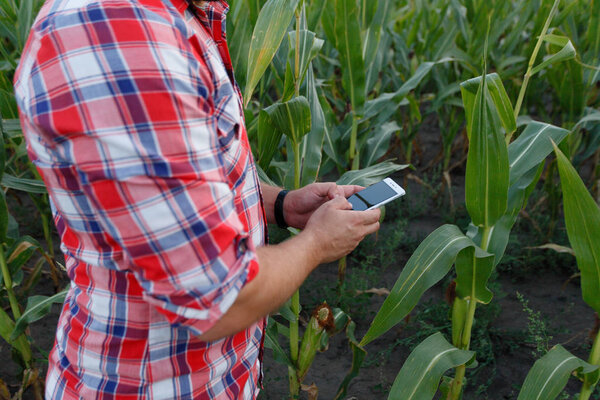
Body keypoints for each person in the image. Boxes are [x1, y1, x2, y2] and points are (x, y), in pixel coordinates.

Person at [13, 0, 381, 398]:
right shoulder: (120, 35)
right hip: (148, 384)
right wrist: (317, 244)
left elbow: (178, 189)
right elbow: (219, 298)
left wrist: (280, 204)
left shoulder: (171, 19)